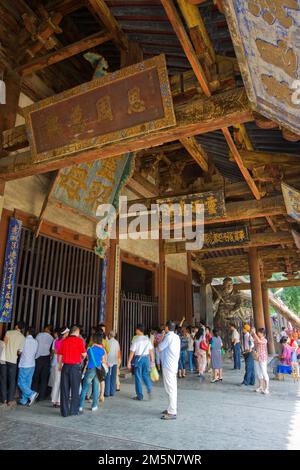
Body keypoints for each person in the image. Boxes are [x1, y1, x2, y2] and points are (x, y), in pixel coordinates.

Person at [58, 326, 87, 417]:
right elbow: (84, 354)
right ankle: (74, 411)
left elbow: (60, 355)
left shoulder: (64, 341)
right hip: (75, 368)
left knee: (64, 390)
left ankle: (64, 412)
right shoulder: (79, 341)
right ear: (77, 332)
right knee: (75, 389)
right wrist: (82, 357)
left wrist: (59, 365)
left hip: (65, 367)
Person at [158, 320, 180, 420]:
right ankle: (171, 408)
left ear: (167, 328)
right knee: (172, 388)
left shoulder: (168, 337)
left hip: (168, 365)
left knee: (170, 388)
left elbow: (159, 348)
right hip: (173, 365)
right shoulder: (176, 337)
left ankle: (172, 411)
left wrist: (162, 336)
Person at [79, 332, 106, 412]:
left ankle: (80, 406)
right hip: (98, 370)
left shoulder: (89, 349)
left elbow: (86, 359)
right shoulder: (102, 350)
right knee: (96, 388)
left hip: (90, 369)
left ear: (93, 339)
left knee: (85, 388)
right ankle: (94, 406)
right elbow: (103, 361)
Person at [127, 324, 154, 401]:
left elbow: (132, 352)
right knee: (145, 375)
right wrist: (152, 361)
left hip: (138, 359)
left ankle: (140, 396)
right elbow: (151, 351)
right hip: (146, 359)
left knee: (138, 377)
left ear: (139, 330)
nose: (135, 331)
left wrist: (129, 362)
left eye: (136, 330)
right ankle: (149, 388)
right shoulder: (147, 339)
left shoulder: (136, 340)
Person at [2, 321, 25, 407]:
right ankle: (9, 400)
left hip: (4, 359)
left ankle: (3, 399)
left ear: (16, 326)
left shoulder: (8, 332)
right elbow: (19, 351)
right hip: (13, 360)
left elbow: (4, 343)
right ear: (22, 329)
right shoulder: (22, 337)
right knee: (12, 380)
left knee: (3, 378)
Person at [17, 327, 39, 406]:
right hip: (32, 364)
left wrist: (18, 351)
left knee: (20, 382)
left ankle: (31, 393)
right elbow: (35, 352)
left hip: (24, 364)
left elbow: (19, 351)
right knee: (27, 382)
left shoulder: (24, 340)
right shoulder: (36, 341)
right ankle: (24, 400)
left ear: (27, 332)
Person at [32, 324, 53, 400]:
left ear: (46, 328)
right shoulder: (51, 338)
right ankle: (41, 396)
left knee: (36, 377)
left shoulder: (39, 334)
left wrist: (35, 356)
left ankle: (33, 394)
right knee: (44, 378)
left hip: (38, 357)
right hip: (46, 358)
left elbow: (35, 344)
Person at [50, 327, 69, 408]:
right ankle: (59, 401)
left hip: (57, 363)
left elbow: (55, 351)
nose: (68, 334)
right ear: (64, 333)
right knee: (63, 382)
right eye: (67, 332)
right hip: (63, 363)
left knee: (56, 382)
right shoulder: (65, 341)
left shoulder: (56, 340)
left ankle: (54, 400)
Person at [252, 327, 269, 395]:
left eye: (259, 332)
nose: (258, 333)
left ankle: (267, 388)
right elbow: (254, 342)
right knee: (259, 373)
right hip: (257, 357)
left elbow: (259, 341)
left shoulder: (265, 340)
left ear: (263, 334)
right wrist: (252, 334)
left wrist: (254, 333)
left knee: (264, 372)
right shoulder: (257, 338)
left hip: (263, 357)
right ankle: (261, 386)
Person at [104, 331, 120, 398]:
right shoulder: (117, 342)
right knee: (113, 377)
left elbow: (105, 351)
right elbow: (118, 352)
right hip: (115, 361)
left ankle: (107, 392)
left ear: (109, 336)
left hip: (108, 361)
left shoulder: (107, 342)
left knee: (107, 377)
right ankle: (112, 392)